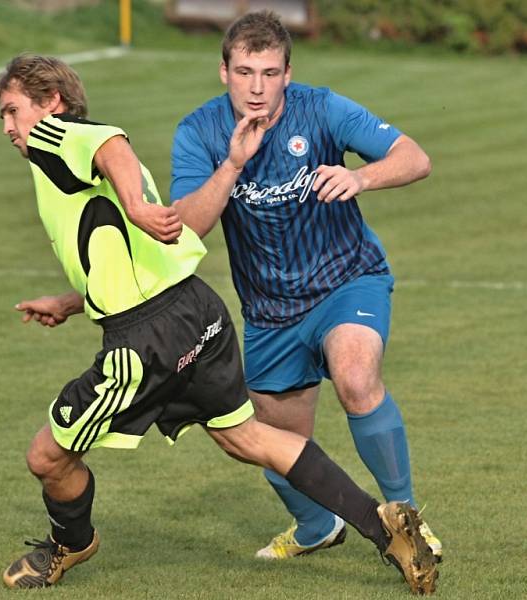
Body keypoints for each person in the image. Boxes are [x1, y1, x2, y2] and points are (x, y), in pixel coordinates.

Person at [0, 54, 438, 594]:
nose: (9, 127)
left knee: (47, 455)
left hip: (147, 339)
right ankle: (384, 525)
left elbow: (111, 145)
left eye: (13, 110)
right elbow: (130, 257)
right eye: (3, 116)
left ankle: (69, 542)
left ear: (52, 104)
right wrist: (70, 300)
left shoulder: (56, 136)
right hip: (195, 310)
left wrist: (134, 203)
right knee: (245, 436)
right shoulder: (70, 163)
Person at [170, 11, 442, 562]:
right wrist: (233, 164)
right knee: (271, 439)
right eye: (245, 71)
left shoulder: (322, 109)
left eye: (270, 73)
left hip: (347, 280)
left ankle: (407, 521)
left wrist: (361, 176)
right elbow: (187, 224)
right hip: (270, 312)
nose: (257, 87)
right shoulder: (198, 132)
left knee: (356, 376)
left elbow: (415, 158)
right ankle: (317, 526)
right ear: (223, 71)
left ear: (288, 73)